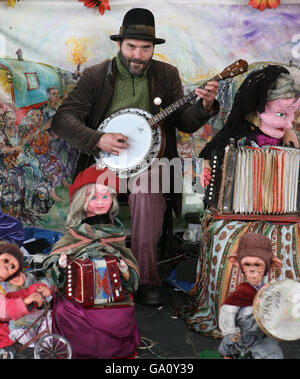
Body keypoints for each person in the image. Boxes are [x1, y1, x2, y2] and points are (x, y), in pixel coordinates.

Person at [50, 8, 219, 305]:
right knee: (94, 189)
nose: (138, 55)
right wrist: (98, 138)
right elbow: (63, 119)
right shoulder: (96, 76)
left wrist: (204, 107)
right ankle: (81, 267)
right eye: (131, 46)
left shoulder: (166, 75)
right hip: (106, 164)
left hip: (153, 164)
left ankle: (145, 278)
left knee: (149, 187)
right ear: (119, 45)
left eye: (145, 47)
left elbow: (184, 122)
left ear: (153, 48)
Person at [180, 65, 300, 336]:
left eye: (293, 115)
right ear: (255, 111)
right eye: (282, 114)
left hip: (282, 215)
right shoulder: (234, 141)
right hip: (233, 216)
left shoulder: (290, 142)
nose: (289, 123)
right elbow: (203, 169)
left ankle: (282, 314)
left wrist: (291, 138)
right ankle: (230, 310)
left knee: (291, 237)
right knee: (230, 241)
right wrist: (206, 172)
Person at [43, 165, 140, 359]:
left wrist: (125, 270)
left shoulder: (116, 234)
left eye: (105, 196)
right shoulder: (74, 234)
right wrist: (60, 265)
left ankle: (112, 349)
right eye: (93, 197)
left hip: (112, 295)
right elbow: (53, 258)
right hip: (76, 296)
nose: (100, 203)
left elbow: (130, 266)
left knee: (122, 311)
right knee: (65, 311)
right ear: (82, 201)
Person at [218, 232, 283, 359]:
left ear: (271, 265)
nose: (253, 272)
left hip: (262, 335)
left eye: (258, 265)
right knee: (230, 344)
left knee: (273, 354)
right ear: (237, 263)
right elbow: (227, 312)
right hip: (241, 333)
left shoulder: (269, 290)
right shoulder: (241, 293)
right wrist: (231, 331)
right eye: (247, 265)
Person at [0, 242, 51, 359]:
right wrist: (26, 301)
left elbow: (11, 298)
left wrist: (35, 289)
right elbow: (4, 309)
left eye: (12, 267)